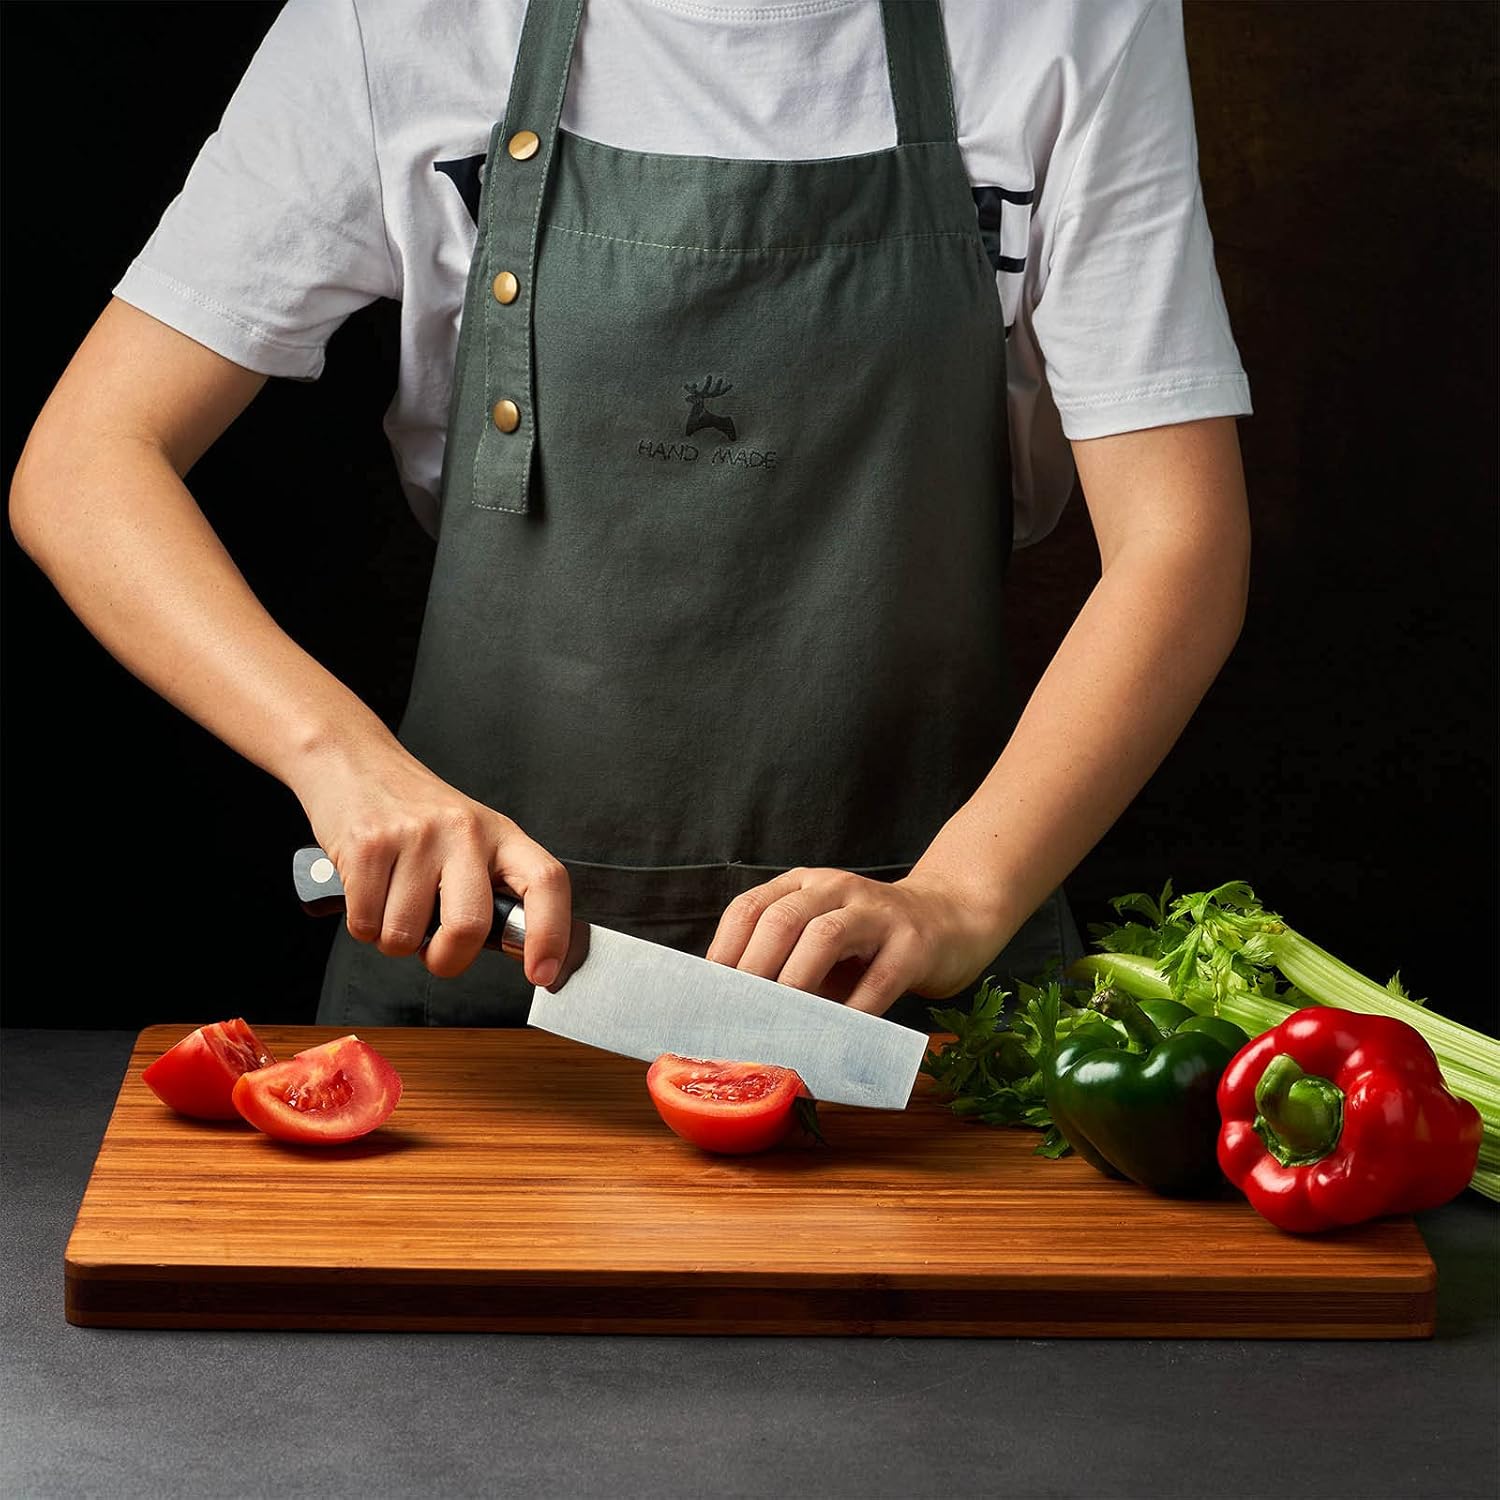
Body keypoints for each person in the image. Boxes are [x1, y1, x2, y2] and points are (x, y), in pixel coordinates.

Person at [8, 0, 1251, 1031]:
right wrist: (347, 768)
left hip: (910, 995)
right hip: (478, 973)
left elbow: (1178, 545)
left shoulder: (1074, 23)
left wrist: (959, 900)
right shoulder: (395, 21)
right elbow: (85, 461)